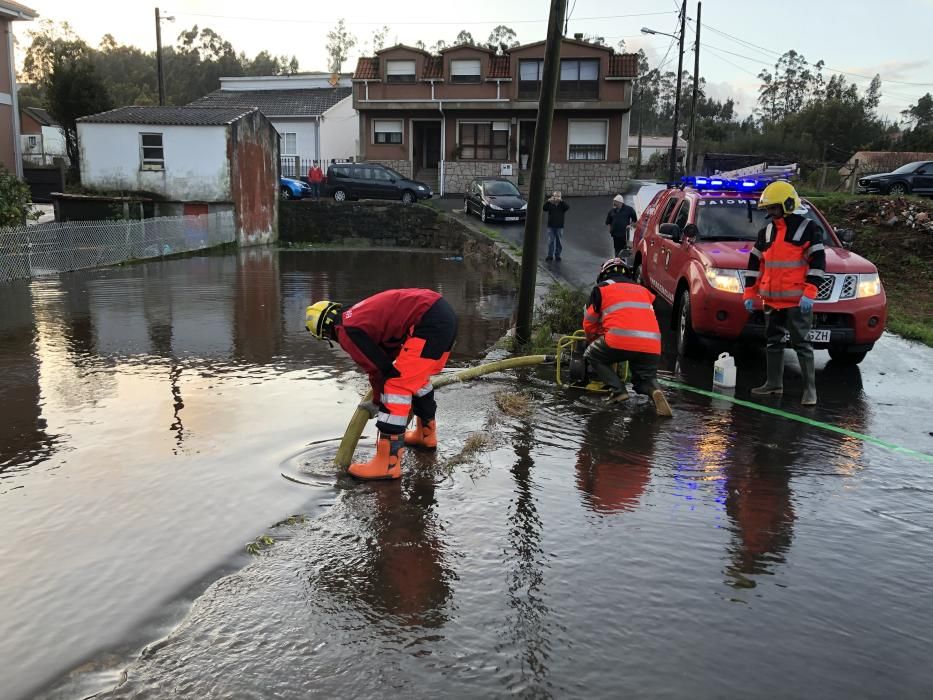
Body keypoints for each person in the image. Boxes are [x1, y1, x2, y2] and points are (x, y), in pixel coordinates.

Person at [305, 289, 458, 480]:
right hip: (440, 313)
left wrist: (378, 401)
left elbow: (378, 369)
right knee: (414, 379)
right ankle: (425, 435)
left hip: (429, 323)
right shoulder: (357, 316)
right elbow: (390, 347)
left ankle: (387, 463)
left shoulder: (346, 331)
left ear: (324, 334)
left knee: (395, 387)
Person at [742, 180, 825, 406]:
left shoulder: (807, 228)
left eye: (774, 207)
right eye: (768, 208)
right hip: (771, 301)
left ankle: (810, 391)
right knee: (773, 342)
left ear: (787, 204)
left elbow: (818, 262)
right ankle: (773, 384)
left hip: (797, 301)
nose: (770, 212)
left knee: (802, 344)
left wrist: (810, 291)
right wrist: (750, 292)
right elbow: (754, 264)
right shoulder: (767, 232)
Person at [582, 257, 673, 416]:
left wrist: (592, 339)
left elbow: (589, 324)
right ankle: (656, 391)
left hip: (619, 340)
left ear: (604, 274)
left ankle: (618, 390)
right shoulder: (643, 290)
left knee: (592, 354)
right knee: (643, 379)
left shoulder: (601, 289)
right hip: (652, 344)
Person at [543, 191, 569, 262]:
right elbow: (544, 208)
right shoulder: (550, 203)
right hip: (551, 226)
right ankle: (550, 255)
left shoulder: (562, 204)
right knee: (550, 241)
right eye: (555, 196)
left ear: (560, 197)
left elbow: (567, 207)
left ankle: (558, 255)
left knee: (559, 242)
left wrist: (562, 201)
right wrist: (548, 201)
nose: (556, 198)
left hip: (559, 226)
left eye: (558, 196)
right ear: (553, 196)